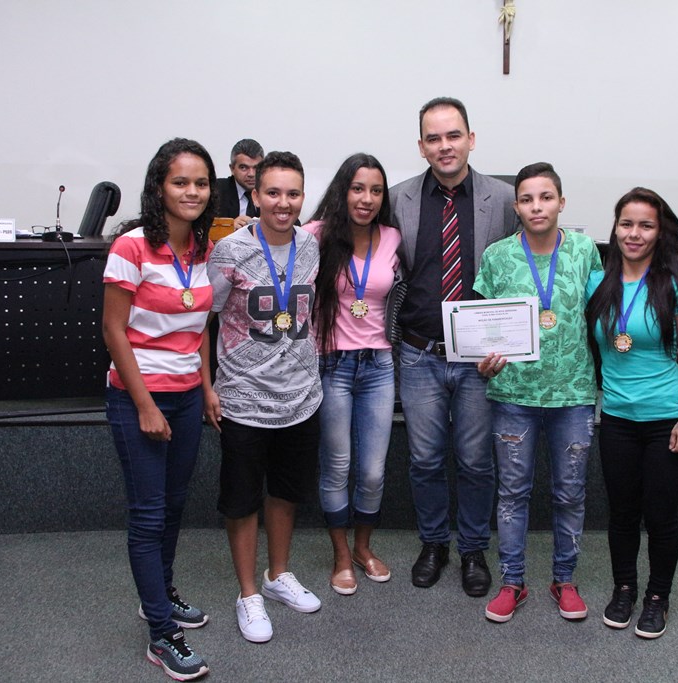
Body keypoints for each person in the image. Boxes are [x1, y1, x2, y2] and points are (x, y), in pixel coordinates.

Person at [389, 96, 517, 597]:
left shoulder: (504, 199)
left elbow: (519, 272)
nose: (445, 146)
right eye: (434, 138)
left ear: (471, 138)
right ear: (421, 146)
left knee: (475, 460)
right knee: (423, 459)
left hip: (477, 360)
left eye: (453, 135)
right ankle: (433, 543)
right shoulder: (397, 198)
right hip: (418, 353)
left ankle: (471, 549)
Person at [102, 137, 216, 681]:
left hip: (188, 394)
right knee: (148, 515)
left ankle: (162, 597)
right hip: (138, 397)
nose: (192, 191)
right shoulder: (131, 246)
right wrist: (146, 405)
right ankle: (160, 635)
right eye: (180, 182)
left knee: (173, 506)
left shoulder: (202, 247)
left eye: (200, 183)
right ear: (159, 188)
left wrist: (207, 387)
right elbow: (113, 330)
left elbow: (199, 331)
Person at [474, 163, 602, 623]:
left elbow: (602, 314)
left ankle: (564, 580)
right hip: (513, 394)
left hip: (573, 394)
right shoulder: (497, 256)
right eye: (527, 199)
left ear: (561, 202)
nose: (536, 206)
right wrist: (482, 360)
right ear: (516, 207)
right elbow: (484, 328)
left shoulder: (586, 250)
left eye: (546, 197)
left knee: (570, 493)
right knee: (512, 493)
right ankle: (512, 582)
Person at [205, 151, 322, 644]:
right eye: (273, 192)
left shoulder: (312, 247)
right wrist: (205, 385)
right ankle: (248, 593)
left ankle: (277, 575)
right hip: (243, 398)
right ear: (255, 195)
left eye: (293, 193)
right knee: (242, 501)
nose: (283, 202)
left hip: (301, 397)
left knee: (286, 493)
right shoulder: (229, 251)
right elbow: (199, 320)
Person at [585, 187, 678, 640]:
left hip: (665, 419)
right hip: (616, 417)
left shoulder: (677, 284)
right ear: (615, 228)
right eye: (627, 224)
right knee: (621, 513)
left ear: (660, 232)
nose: (634, 234)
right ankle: (624, 588)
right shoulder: (599, 282)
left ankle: (657, 597)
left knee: (660, 515)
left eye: (646, 225)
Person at [303, 153, 402, 595]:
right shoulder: (316, 236)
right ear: (344, 191)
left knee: (374, 471)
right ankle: (341, 554)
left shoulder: (394, 237)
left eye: (376, 190)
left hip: (379, 366)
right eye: (358, 188)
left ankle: (364, 547)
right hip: (333, 365)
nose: (366, 198)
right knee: (337, 466)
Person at [215, 138, 264, 226]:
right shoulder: (216, 190)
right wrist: (228, 227)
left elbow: (294, 226)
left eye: (256, 168)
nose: (251, 174)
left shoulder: (273, 193)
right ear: (232, 169)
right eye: (244, 167)